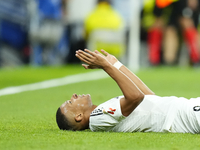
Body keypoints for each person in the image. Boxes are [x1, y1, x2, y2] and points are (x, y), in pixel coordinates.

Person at [56, 49, 200, 133]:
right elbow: (135, 97)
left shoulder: (101, 111)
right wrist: (106, 67)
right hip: (185, 116)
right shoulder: (97, 118)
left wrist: (116, 65)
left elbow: (147, 96)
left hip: (186, 108)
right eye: (70, 102)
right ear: (79, 116)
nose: (73, 96)